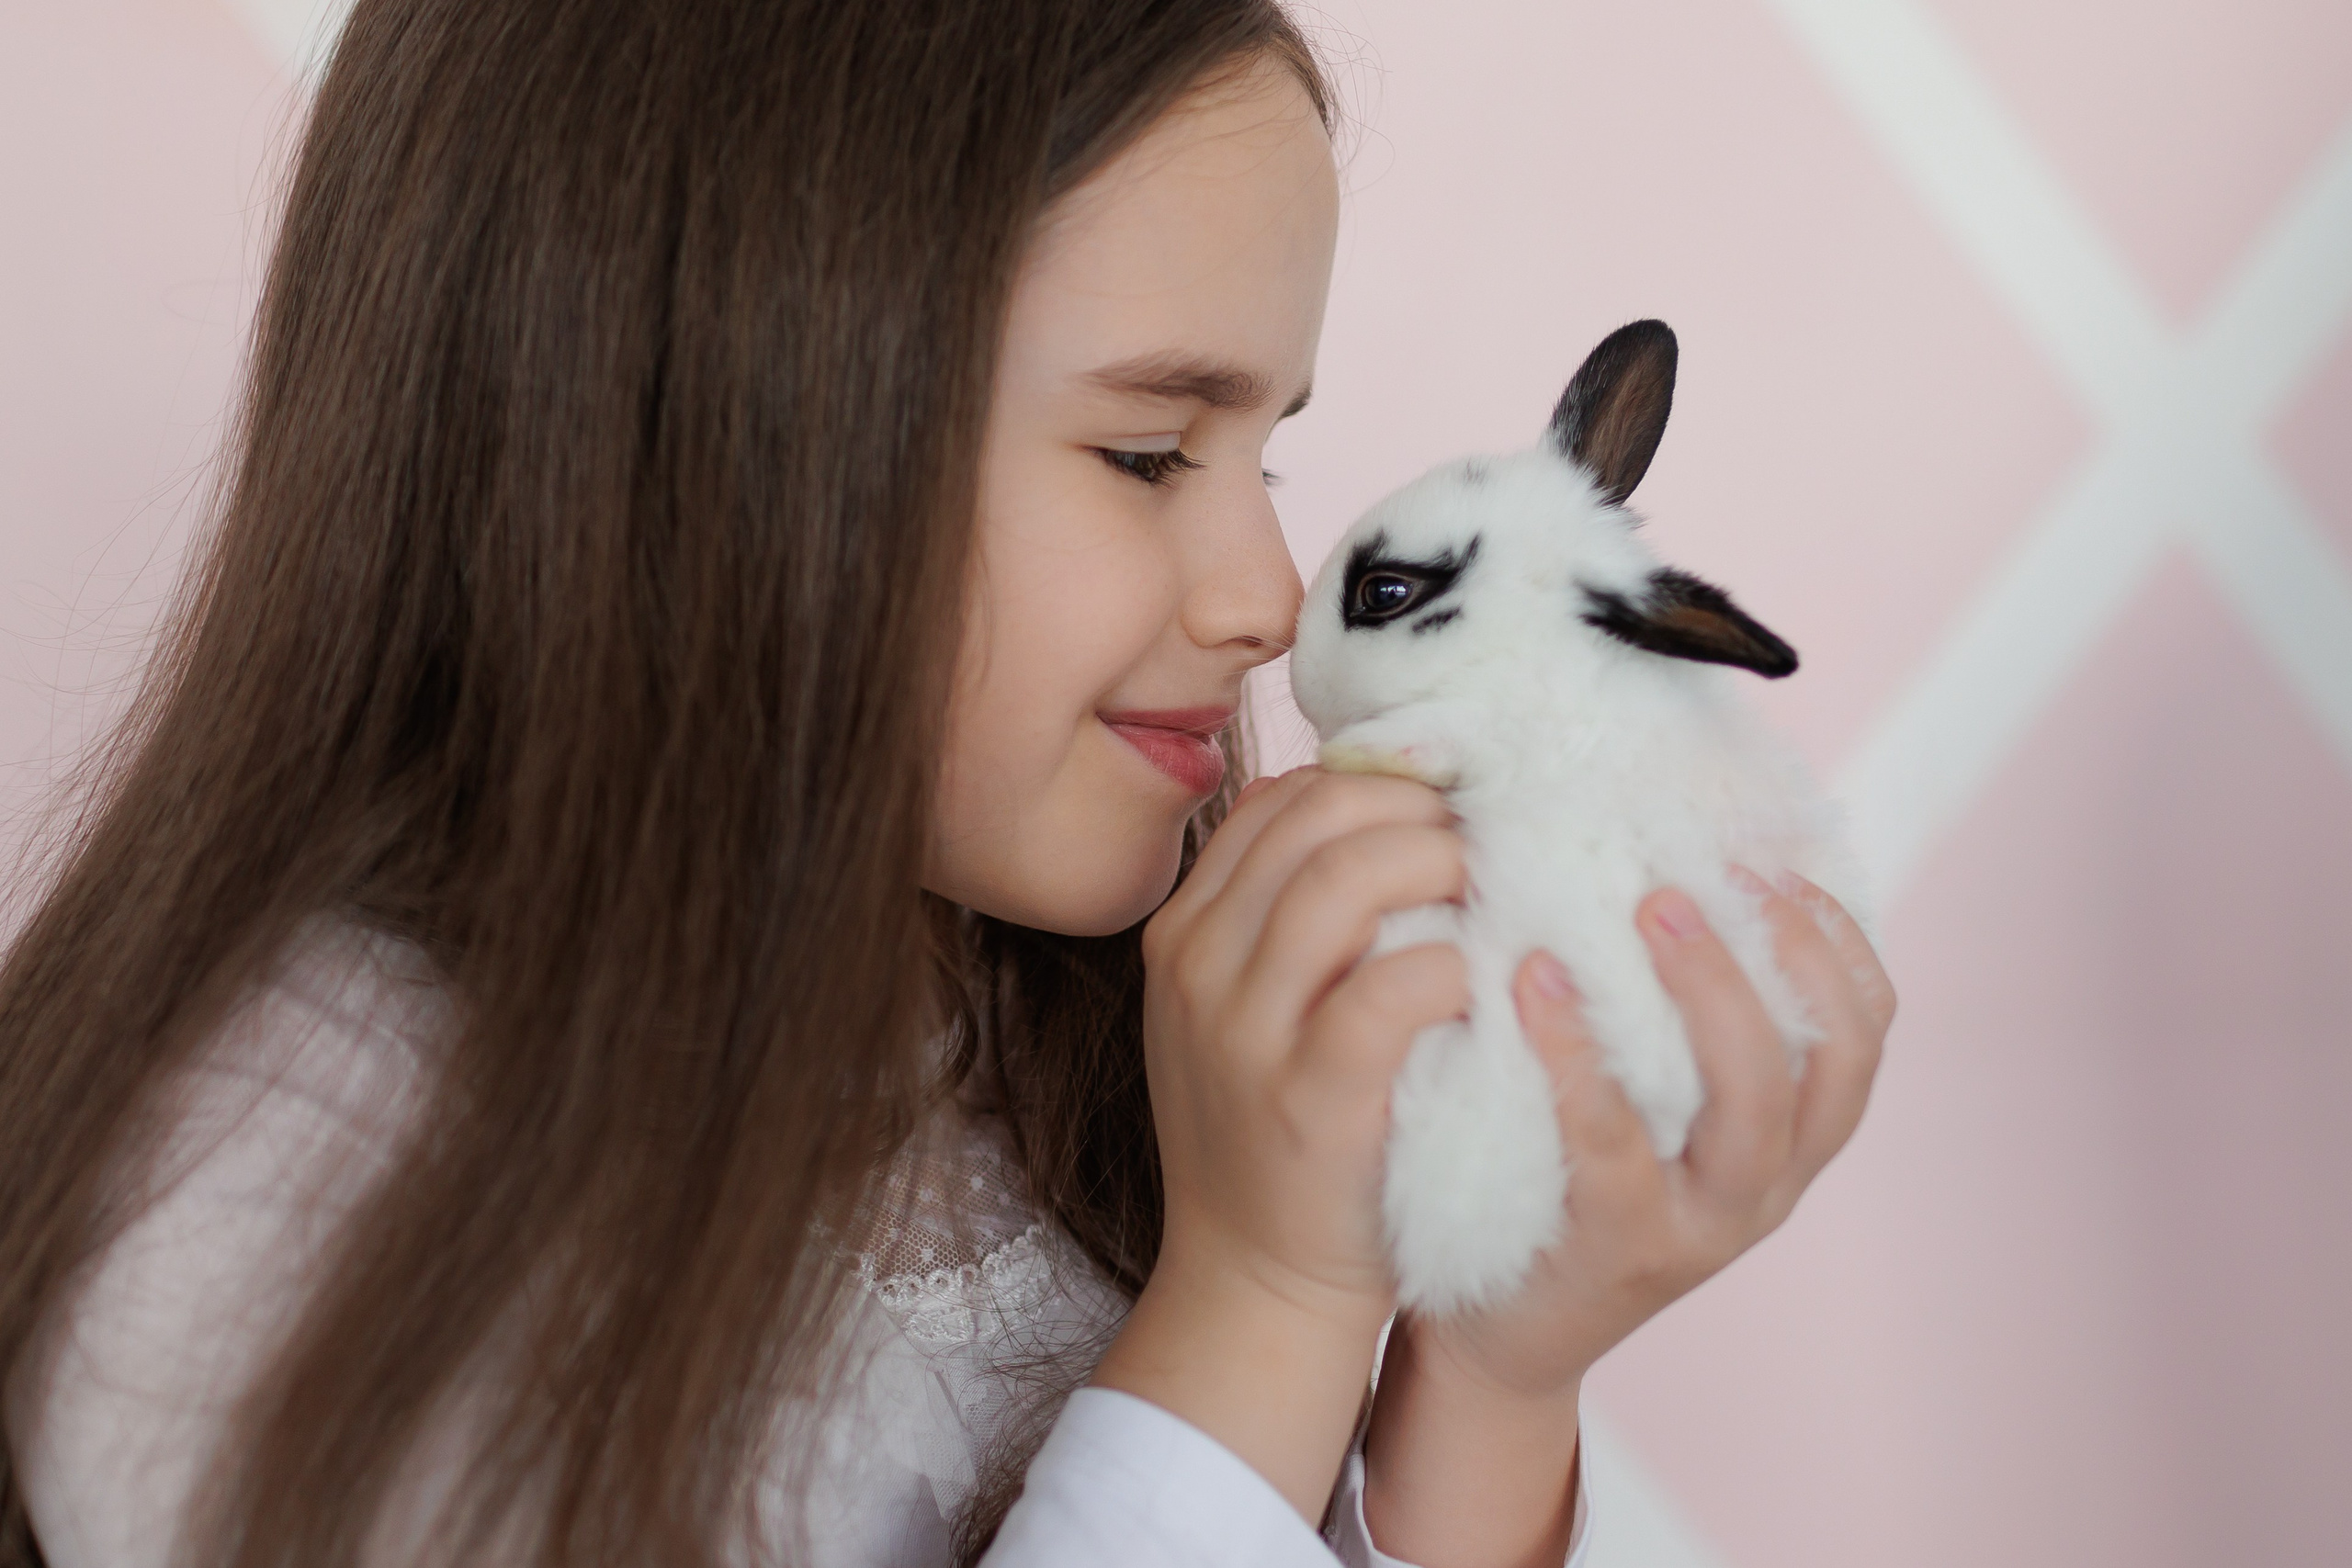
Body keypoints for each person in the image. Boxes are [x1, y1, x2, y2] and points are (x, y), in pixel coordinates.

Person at [0, 2, 1896, 1566]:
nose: (1262, 600)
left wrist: (1481, 1380)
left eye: (1270, 459)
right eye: (1152, 452)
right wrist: (1259, 1296)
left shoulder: (1050, 1024)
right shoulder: (276, 1191)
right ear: (704, 427)